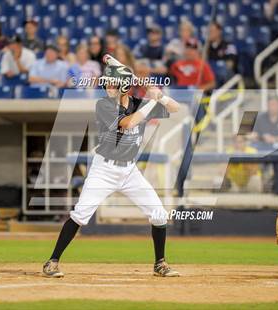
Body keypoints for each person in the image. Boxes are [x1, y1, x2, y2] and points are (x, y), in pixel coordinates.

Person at [42, 64, 181, 278]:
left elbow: (175, 108)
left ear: (125, 86)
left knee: (159, 214)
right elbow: (128, 122)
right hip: (104, 170)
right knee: (80, 215)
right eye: (108, 83)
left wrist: (160, 96)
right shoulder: (104, 105)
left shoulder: (138, 103)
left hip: (129, 171)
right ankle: (52, 261)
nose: (108, 86)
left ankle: (160, 264)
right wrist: (152, 100)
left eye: (113, 83)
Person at [207, 21, 237, 85]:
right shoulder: (207, 47)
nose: (210, 33)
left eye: (212, 31)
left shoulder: (229, 46)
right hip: (210, 74)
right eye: (209, 31)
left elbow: (230, 64)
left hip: (224, 74)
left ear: (219, 31)